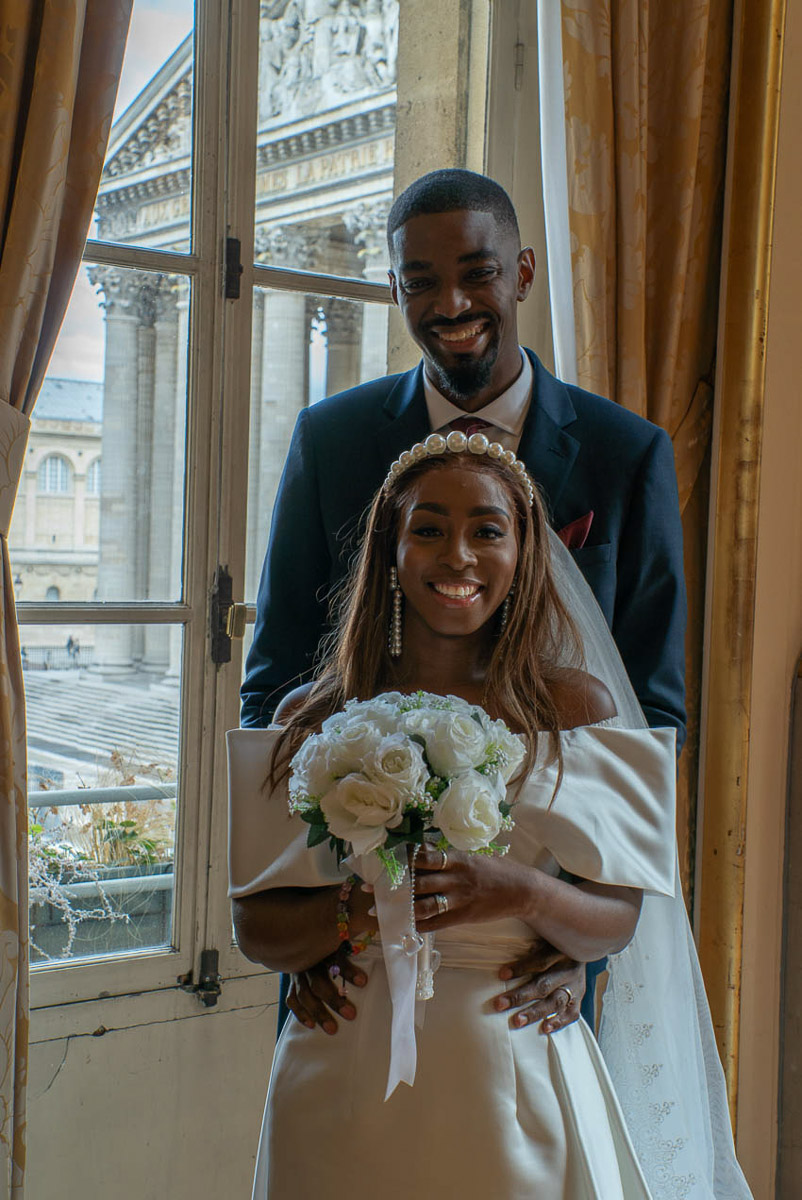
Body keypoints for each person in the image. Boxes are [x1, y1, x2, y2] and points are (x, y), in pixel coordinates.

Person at [228, 438, 749, 1199]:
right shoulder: (311, 717)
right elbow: (258, 928)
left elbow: (617, 921)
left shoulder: (576, 711)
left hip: (517, 1067)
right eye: (430, 529)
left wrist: (522, 894)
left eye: (488, 530)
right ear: (391, 546)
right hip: (342, 1067)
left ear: (525, 548)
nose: (459, 556)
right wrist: (357, 913)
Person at [240, 168, 687, 1030]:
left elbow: (651, 717)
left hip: (529, 962)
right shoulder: (330, 441)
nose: (450, 303)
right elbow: (276, 686)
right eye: (420, 281)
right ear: (396, 288)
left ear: (520, 274)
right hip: (350, 963)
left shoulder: (627, 454)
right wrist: (316, 927)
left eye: (477, 273)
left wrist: (576, 940)